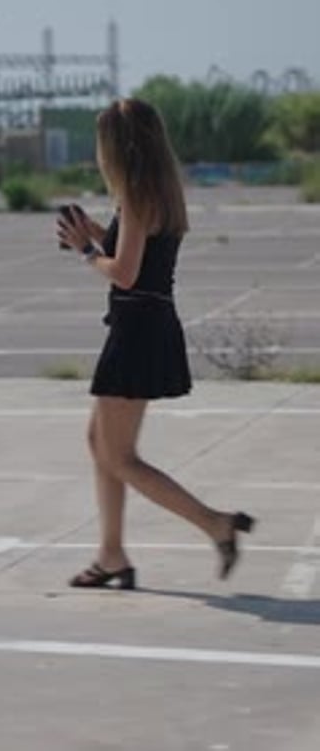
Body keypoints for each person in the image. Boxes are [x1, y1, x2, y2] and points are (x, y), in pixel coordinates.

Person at [57, 98, 255, 590]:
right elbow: (138, 254)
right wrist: (96, 234)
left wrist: (85, 251)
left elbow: (124, 274)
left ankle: (216, 524)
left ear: (119, 146)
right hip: (148, 325)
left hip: (137, 330)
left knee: (119, 457)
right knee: (100, 443)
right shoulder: (157, 191)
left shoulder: (137, 194)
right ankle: (111, 554)